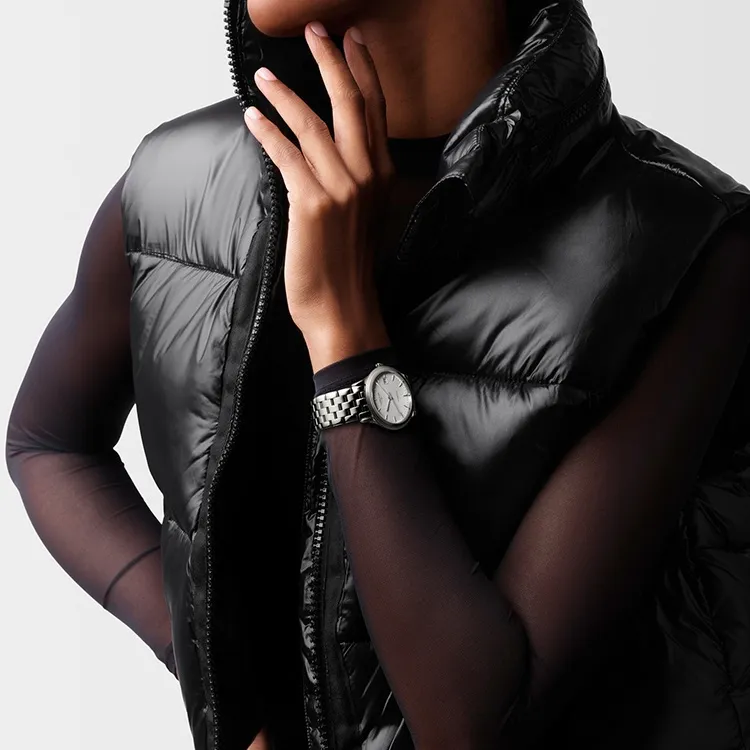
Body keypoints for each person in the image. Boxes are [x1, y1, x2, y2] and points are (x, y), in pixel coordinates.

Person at [6, 0, 750, 749]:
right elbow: (46, 443)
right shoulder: (181, 180)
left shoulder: (683, 246)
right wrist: (220, 679)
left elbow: (478, 726)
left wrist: (342, 329)